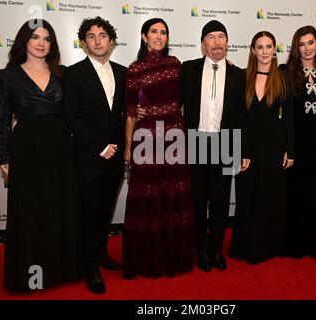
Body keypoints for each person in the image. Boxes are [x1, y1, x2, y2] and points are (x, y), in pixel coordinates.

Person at [0, 19, 82, 292]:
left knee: (58, 207)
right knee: (31, 210)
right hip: (27, 148)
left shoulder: (63, 74)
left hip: (59, 147)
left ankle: (60, 270)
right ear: (25, 42)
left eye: (47, 38)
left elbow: (77, 113)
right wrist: (4, 157)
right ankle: (32, 276)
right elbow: (2, 119)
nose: (41, 43)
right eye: (35, 37)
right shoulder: (7, 76)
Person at [122, 18, 195, 279]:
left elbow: (196, 83)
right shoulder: (134, 69)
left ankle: (174, 258)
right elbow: (131, 112)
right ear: (144, 36)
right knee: (149, 197)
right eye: (154, 31)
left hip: (174, 136)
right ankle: (148, 260)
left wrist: (228, 65)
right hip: (146, 138)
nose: (159, 36)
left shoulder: (175, 65)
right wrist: (128, 148)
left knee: (172, 196)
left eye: (164, 32)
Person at [64, 17, 126, 294]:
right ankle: (89, 266)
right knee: (88, 212)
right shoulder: (74, 74)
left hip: (115, 157)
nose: (98, 40)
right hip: (89, 156)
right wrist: (100, 146)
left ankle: (101, 253)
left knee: (105, 210)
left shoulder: (124, 72)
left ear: (112, 41)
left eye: (103, 35)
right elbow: (72, 118)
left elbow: (129, 113)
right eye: (91, 36)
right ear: (83, 42)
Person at [181, 20, 249, 272]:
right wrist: (141, 105)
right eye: (211, 37)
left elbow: (243, 115)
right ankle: (200, 251)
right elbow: (166, 97)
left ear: (227, 42)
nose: (217, 42)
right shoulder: (188, 70)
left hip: (227, 142)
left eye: (222, 36)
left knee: (220, 202)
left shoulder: (239, 74)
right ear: (203, 43)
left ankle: (216, 250)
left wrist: (243, 149)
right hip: (197, 141)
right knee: (198, 202)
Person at [229, 31, 294, 264]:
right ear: (253, 50)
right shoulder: (242, 78)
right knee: (247, 195)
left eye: (269, 46)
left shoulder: (283, 79)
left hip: (274, 145)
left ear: (274, 49)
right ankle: (245, 245)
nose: (265, 51)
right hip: (248, 145)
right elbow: (239, 118)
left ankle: (267, 246)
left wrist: (290, 149)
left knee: (270, 196)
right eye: (260, 47)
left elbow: (288, 119)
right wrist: (242, 150)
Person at [279, 25, 316, 259]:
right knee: (293, 192)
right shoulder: (285, 71)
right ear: (296, 48)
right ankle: (293, 244)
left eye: (310, 43)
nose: (307, 48)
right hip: (294, 140)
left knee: (314, 192)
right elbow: (261, 80)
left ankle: (312, 243)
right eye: (301, 44)